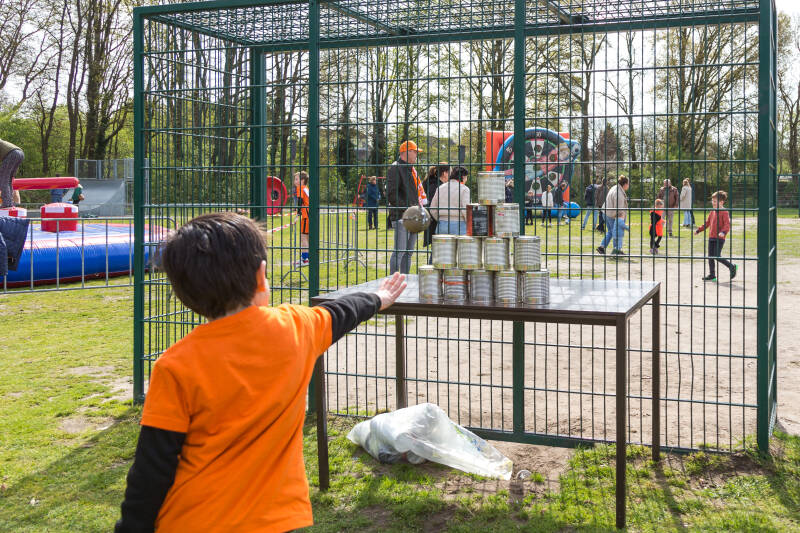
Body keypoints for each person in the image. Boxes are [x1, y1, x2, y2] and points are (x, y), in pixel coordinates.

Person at [114, 212, 406, 533]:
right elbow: (341, 312)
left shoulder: (175, 364)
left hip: (192, 520)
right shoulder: (297, 327)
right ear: (261, 275)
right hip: (274, 520)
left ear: (185, 292)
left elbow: (151, 470)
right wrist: (378, 297)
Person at [387, 140, 424, 274]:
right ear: (406, 152)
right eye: (415, 152)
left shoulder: (411, 170)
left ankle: (405, 280)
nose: (416, 155)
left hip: (413, 216)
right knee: (400, 252)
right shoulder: (396, 168)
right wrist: (409, 208)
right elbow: (391, 194)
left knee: (408, 253)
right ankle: (393, 280)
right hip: (402, 216)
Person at [695, 191, 737, 282]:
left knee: (717, 256)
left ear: (721, 202)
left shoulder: (724, 212)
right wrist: (699, 230)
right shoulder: (712, 211)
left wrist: (723, 232)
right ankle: (712, 275)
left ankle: (731, 266)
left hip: (720, 238)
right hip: (711, 237)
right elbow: (707, 223)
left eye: (715, 201)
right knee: (710, 256)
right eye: (712, 201)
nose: (713, 203)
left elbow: (727, 225)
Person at [429, 166, 470, 235]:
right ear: (463, 177)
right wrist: (469, 222)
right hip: (459, 225)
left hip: (442, 225)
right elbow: (465, 210)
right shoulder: (464, 189)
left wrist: (440, 218)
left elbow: (432, 208)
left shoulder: (440, 188)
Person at [597, 175, 630, 256]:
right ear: (625, 184)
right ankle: (617, 250)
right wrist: (620, 219)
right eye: (628, 184)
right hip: (611, 214)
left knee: (611, 232)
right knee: (616, 232)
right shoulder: (619, 193)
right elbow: (618, 209)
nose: (629, 186)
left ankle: (602, 247)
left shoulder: (615, 187)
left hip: (606, 212)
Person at [422, 163, 449, 247]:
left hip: (433, 220)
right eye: (450, 172)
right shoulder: (436, 186)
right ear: (444, 173)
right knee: (438, 250)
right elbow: (432, 205)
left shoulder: (433, 183)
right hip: (435, 221)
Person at [0, 138, 24, 208]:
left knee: (3, 179)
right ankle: (9, 201)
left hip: (12, 154)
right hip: (20, 153)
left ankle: (7, 203)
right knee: (8, 180)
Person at [294, 171, 310, 267]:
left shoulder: (300, 188)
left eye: (296, 179)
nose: (295, 181)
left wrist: (297, 214)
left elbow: (300, 201)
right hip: (310, 214)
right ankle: (307, 257)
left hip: (306, 215)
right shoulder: (306, 188)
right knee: (307, 237)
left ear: (302, 180)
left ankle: (304, 259)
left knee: (303, 237)